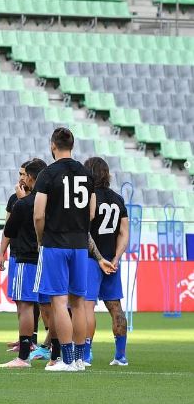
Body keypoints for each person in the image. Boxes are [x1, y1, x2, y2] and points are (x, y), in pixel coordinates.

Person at [33, 127, 97, 372]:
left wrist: (41, 238)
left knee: (59, 301)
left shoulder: (48, 174)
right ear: (72, 145)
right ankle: (80, 359)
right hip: (80, 244)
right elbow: (91, 212)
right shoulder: (85, 174)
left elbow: (39, 214)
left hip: (56, 243)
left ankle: (67, 359)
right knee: (78, 302)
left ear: (53, 145)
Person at [0, 159, 51, 368]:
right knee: (49, 305)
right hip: (47, 257)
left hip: (26, 257)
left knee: (27, 304)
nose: (21, 178)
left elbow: (9, 228)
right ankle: (54, 351)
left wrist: (22, 203)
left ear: (31, 177)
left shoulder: (23, 201)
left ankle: (24, 355)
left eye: (24, 174)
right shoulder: (50, 198)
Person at [83, 157, 130, 367]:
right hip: (112, 261)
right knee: (116, 308)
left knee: (86, 307)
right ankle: (120, 356)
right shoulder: (118, 199)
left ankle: (86, 353)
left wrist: (100, 257)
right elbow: (124, 232)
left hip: (91, 259)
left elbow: (84, 230)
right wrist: (116, 257)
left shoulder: (88, 197)